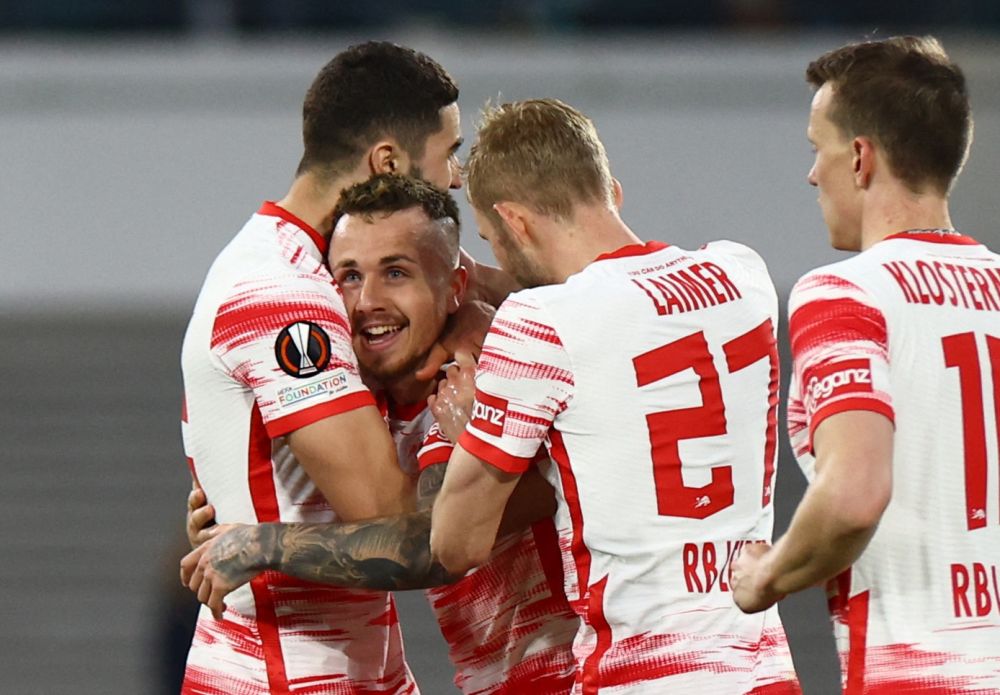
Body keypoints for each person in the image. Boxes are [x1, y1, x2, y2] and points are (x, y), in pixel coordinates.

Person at [429, 98, 801, 693]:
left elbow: (456, 543)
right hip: (761, 669)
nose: (499, 255)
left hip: (644, 673)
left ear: (516, 222)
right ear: (613, 192)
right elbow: (629, 332)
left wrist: (469, 427)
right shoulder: (744, 276)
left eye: (492, 238)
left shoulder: (539, 321)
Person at [180, 42, 505, 694]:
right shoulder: (281, 293)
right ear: (387, 160)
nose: (457, 178)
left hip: (361, 671)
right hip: (284, 676)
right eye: (449, 152)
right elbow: (405, 527)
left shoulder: (340, 268)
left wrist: (474, 316)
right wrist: (467, 367)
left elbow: (528, 294)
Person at [182, 173, 580, 694]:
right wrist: (236, 511)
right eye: (349, 276)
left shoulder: (491, 376)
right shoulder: (373, 406)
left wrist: (262, 542)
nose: (367, 299)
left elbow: (433, 541)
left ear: (456, 285)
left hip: (579, 672)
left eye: (396, 273)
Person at [730, 36, 1000, 692]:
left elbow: (853, 494)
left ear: (859, 156)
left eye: (815, 149)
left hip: (916, 672)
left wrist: (764, 576)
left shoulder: (845, 293)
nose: (811, 174)